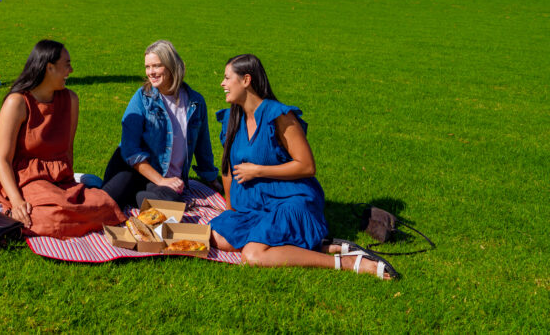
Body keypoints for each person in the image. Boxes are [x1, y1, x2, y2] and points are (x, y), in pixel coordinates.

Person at [208, 54, 398, 279]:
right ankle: (321, 246)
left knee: (253, 255)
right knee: (216, 238)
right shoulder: (232, 118)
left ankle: (345, 262)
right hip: (254, 205)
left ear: (246, 80)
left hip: (289, 200)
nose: (222, 83)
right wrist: (230, 207)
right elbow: (227, 168)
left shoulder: (279, 115)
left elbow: (307, 166)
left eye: (227, 78)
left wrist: (258, 170)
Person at [0, 40, 126, 237]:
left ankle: (76, 183)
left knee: (104, 205)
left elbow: (67, 149)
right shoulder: (17, 102)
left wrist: (68, 185)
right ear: (49, 68)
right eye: (67, 64)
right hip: (24, 177)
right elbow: (3, 160)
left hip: (59, 177)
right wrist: (17, 202)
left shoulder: (70, 100)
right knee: (51, 216)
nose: (71, 70)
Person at [101, 40, 222, 209]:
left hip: (163, 179)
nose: (151, 72)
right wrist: (161, 180)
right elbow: (130, 149)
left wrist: (210, 178)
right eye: (147, 67)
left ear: (171, 66)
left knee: (173, 203)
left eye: (156, 66)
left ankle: (134, 197)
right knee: (105, 201)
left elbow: (203, 146)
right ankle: (121, 193)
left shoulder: (195, 102)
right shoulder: (142, 98)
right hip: (132, 169)